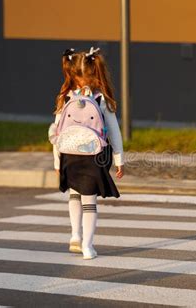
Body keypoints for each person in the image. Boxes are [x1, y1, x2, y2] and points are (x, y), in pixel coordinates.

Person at [52, 47, 124, 260]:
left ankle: (75, 235)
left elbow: (57, 132)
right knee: (89, 201)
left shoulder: (66, 98)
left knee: (74, 195)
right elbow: (114, 132)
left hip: (69, 155)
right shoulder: (102, 100)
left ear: (71, 74)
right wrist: (119, 159)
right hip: (93, 156)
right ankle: (87, 246)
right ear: (95, 74)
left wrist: (57, 162)